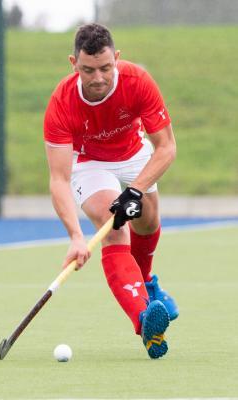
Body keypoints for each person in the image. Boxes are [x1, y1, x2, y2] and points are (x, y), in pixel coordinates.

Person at [43, 23, 179, 359]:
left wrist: (135, 190)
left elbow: (167, 148)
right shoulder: (62, 103)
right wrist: (75, 236)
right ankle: (144, 320)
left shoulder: (137, 82)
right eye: (88, 70)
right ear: (73, 63)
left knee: (147, 222)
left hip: (134, 153)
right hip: (89, 163)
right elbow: (59, 178)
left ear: (116, 58)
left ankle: (146, 282)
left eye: (106, 67)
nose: (99, 78)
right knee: (114, 227)